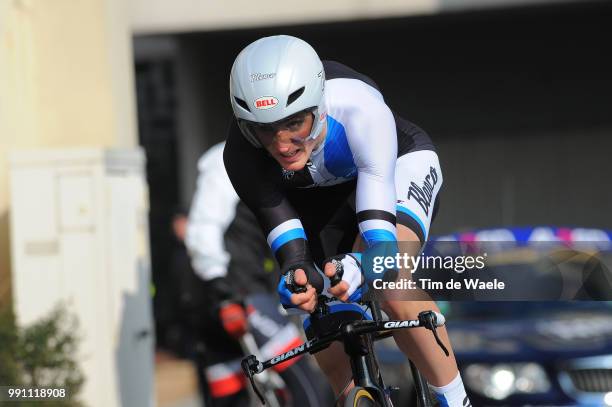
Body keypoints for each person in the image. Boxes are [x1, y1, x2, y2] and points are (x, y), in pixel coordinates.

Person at [223, 35, 471, 406]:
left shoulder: (360, 111)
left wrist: (360, 264)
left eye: (294, 123)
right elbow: (292, 251)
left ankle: (455, 400)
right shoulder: (241, 155)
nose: (283, 143)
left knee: (392, 282)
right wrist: (298, 279)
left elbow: (381, 244)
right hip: (318, 198)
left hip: (394, 168)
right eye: (265, 130)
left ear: (318, 108)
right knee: (324, 318)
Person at [185, 142, 333, 407]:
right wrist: (223, 290)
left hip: (229, 294)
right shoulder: (228, 159)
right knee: (307, 385)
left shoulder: (268, 157)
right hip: (238, 294)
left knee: (229, 398)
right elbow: (202, 229)